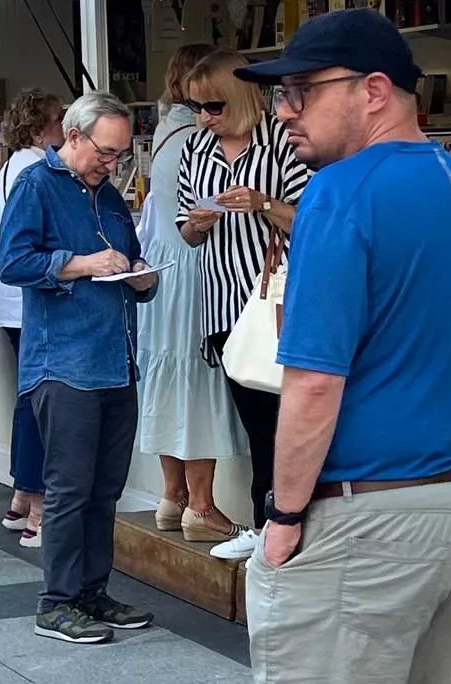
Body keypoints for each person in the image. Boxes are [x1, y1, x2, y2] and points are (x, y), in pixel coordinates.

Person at [238, 9, 451, 684]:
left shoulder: (338, 194)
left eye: (302, 90)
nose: (285, 111)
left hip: (371, 512)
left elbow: (314, 382)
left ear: (371, 91)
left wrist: (281, 516)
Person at [0, 91, 159, 645]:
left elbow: (135, 264)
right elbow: (11, 262)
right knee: (68, 489)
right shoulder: (35, 185)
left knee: (104, 488)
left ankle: (93, 592)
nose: (111, 164)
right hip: (62, 363)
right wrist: (81, 263)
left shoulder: (110, 197)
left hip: (116, 360)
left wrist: (143, 278)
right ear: (73, 136)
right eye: (105, 153)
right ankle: (58, 603)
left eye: (120, 156)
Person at [174, 49, 310, 562]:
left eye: (212, 105)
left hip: (278, 305)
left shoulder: (281, 143)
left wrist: (263, 204)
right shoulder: (195, 148)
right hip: (226, 307)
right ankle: (268, 527)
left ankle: (278, 528)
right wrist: (199, 223)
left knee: (285, 426)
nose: (203, 117)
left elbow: (312, 222)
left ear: (237, 97)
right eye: (194, 106)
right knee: (257, 427)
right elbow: (185, 232)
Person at [137, 45, 249, 541]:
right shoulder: (199, 138)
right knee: (198, 384)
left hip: (164, 268)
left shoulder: (165, 129)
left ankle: (171, 495)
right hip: (195, 268)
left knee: (169, 378)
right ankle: (202, 505)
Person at [0, 88, 63, 547]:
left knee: (25, 400)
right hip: (26, 300)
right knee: (38, 404)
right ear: (39, 129)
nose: (64, 128)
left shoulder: (10, 167)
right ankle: (38, 509)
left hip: (9, 299)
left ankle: (22, 495)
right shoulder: (34, 171)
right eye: (58, 120)